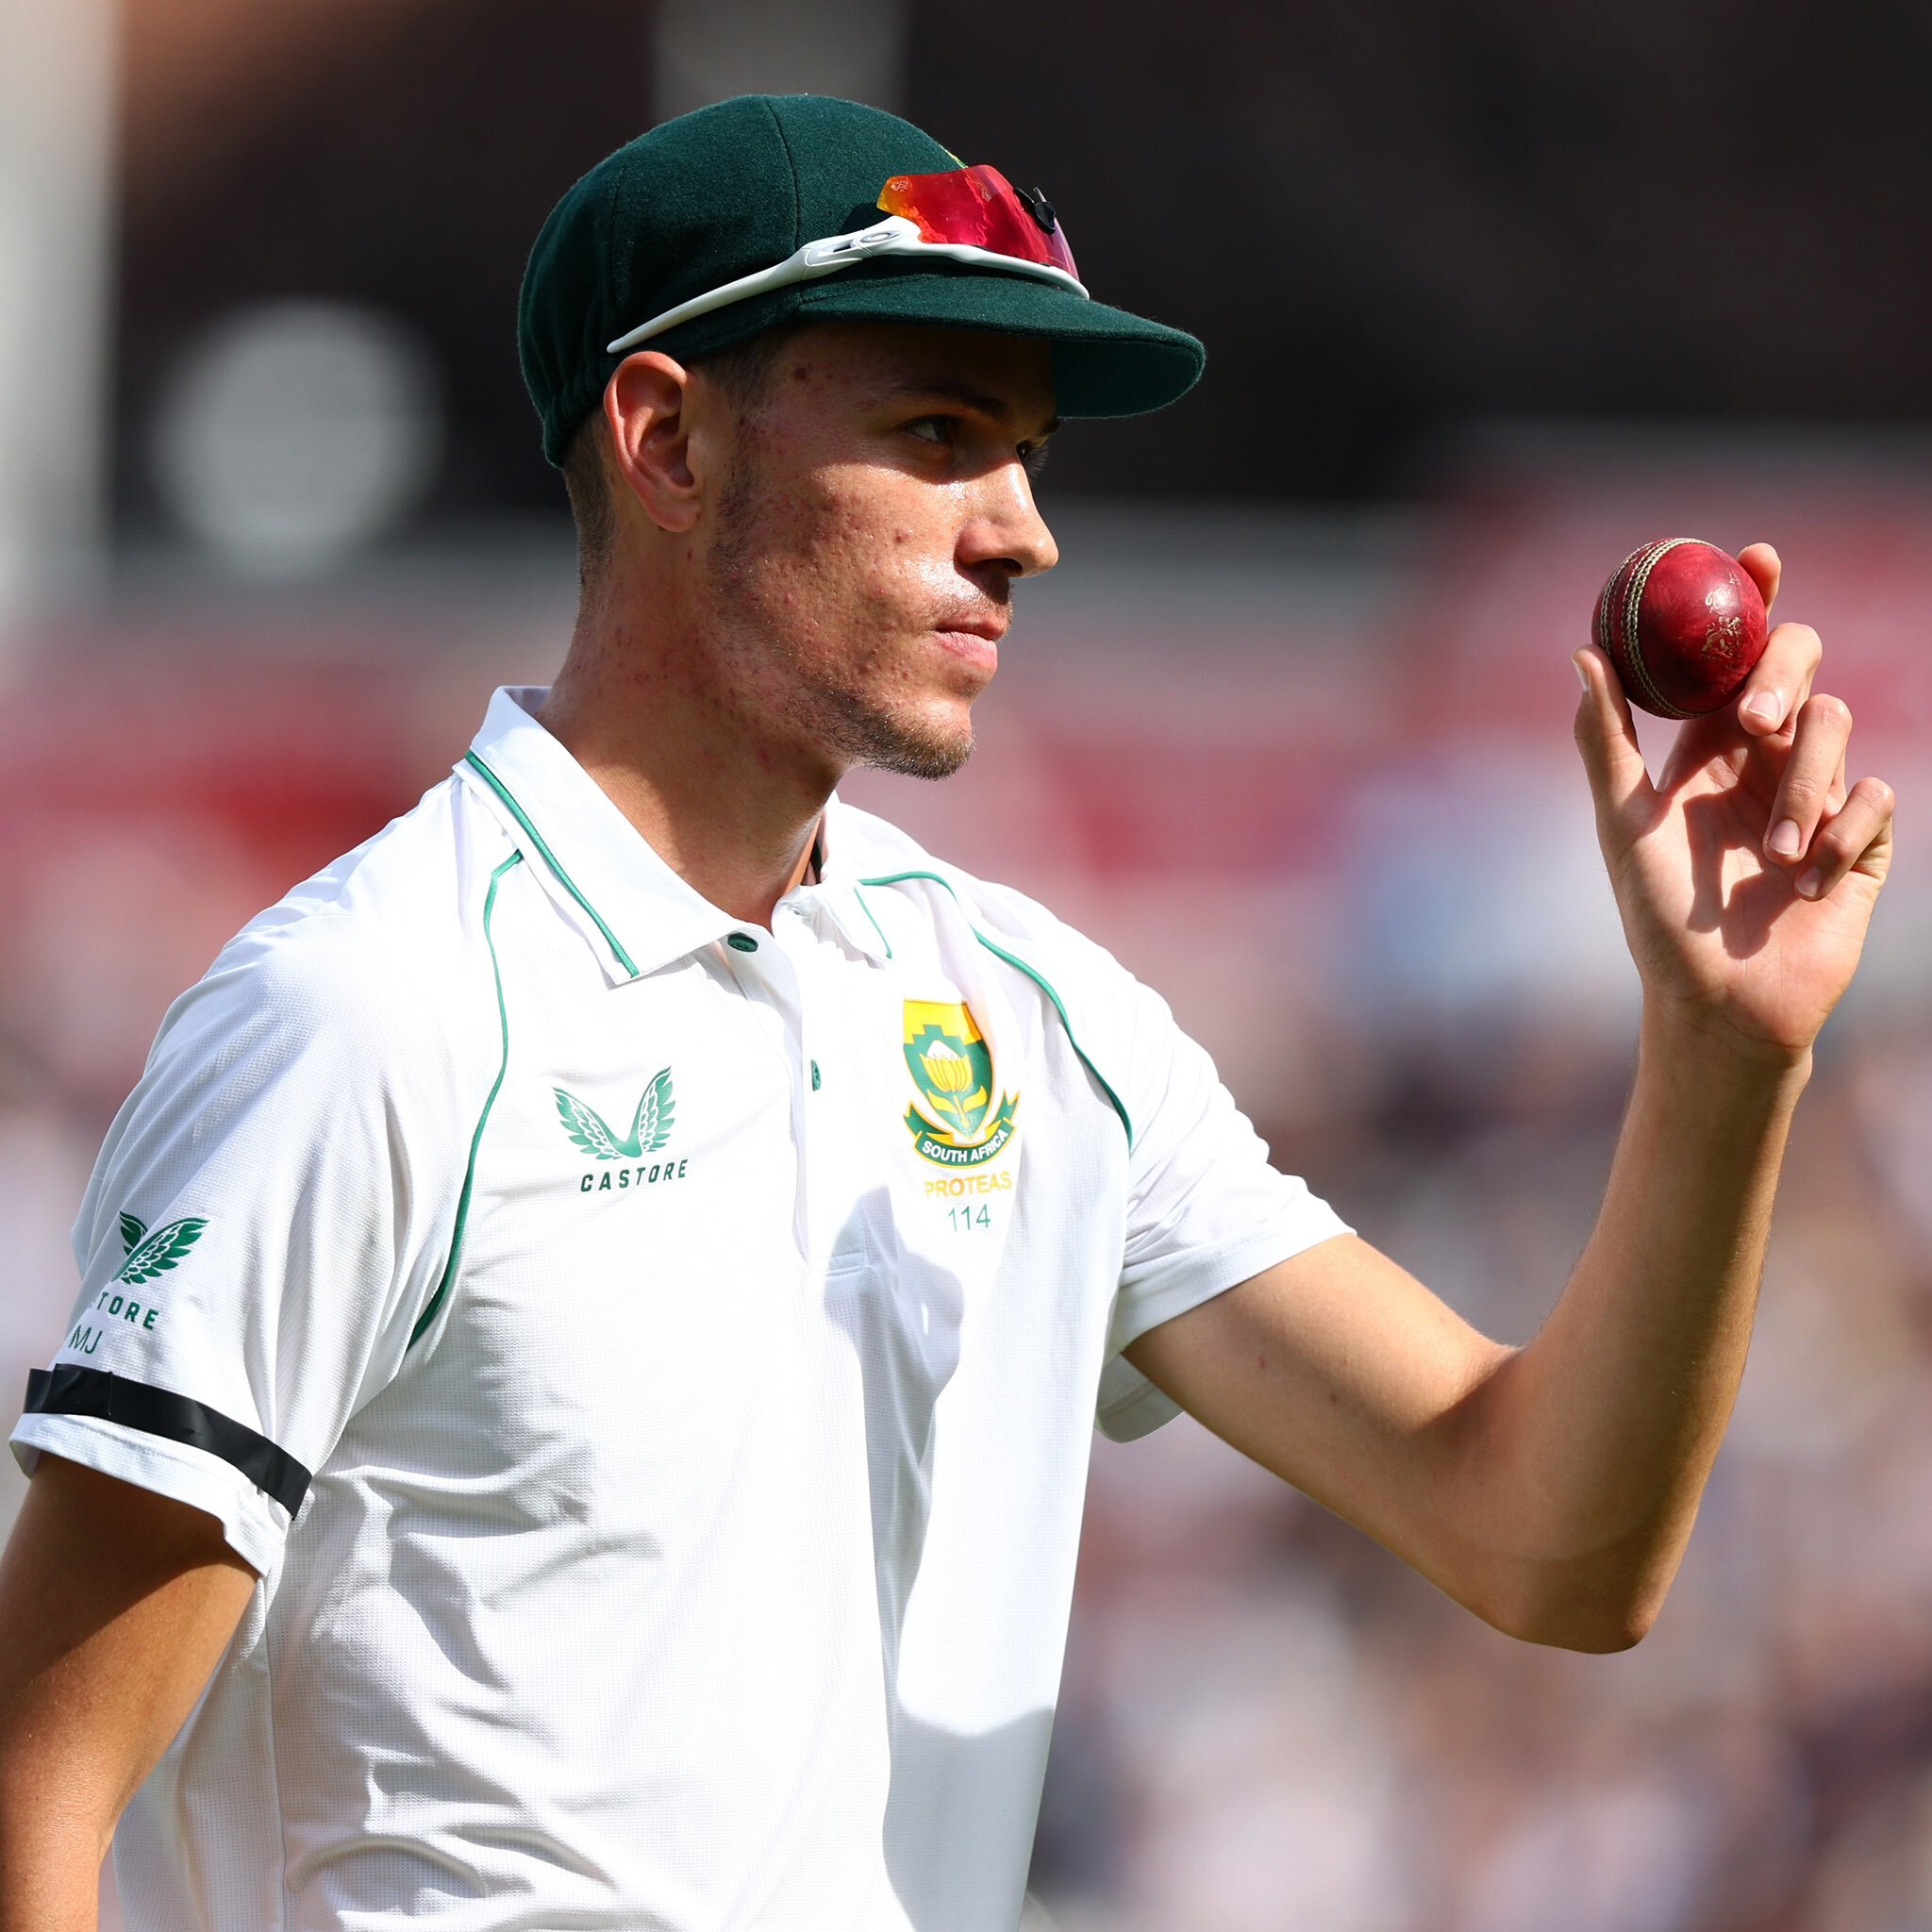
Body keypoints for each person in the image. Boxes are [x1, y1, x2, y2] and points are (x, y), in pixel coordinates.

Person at [0, 94, 1895, 1932]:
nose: (1022, 530)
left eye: (1031, 453)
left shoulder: (1031, 1018)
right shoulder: (372, 1012)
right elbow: (35, 1781)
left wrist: (1724, 1057)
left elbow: (1545, 1539)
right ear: (665, 443)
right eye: (937, 431)